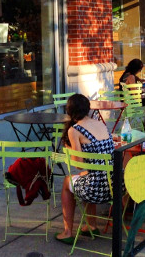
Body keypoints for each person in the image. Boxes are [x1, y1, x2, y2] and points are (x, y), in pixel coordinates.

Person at [56, 94, 114, 245]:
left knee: (68, 181)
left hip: (95, 189)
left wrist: (68, 148)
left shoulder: (75, 130)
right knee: (86, 176)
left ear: (69, 111)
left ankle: (68, 231)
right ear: (88, 109)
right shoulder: (101, 124)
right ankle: (91, 225)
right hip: (113, 186)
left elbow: (78, 164)